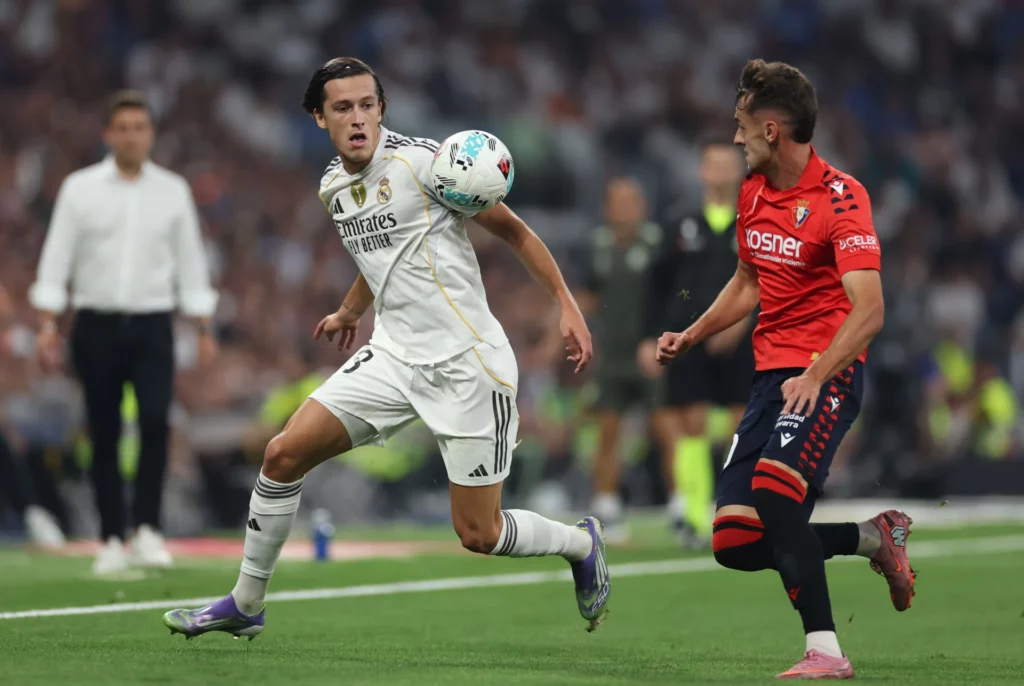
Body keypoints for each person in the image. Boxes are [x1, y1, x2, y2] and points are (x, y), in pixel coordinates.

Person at [163, 57, 610, 640]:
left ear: (382, 110)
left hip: (467, 364)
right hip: (394, 357)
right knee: (282, 455)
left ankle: (580, 543)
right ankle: (246, 604)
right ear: (319, 117)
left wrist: (566, 304)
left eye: (367, 105)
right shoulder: (332, 185)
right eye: (342, 108)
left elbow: (516, 232)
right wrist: (352, 310)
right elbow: (383, 253)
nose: (357, 118)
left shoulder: (425, 165)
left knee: (480, 534)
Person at [655, 60, 914, 680]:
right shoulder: (753, 193)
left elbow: (870, 309)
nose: (735, 137)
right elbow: (748, 281)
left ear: (771, 130)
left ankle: (826, 651)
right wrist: (693, 334)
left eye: (741, 126)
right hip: (771, 379)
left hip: (826, 375)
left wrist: (818, 373)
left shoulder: (841, 197)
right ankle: (874, 537)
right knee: (734, 541)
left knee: (775, 494)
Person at [29, 90, 219, 575]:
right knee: (104, 430)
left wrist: (202, 322)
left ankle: (148, 530)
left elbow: (190, 259)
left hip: (153, 322)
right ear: (108, 134)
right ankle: (112, 536)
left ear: (151, 134)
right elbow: (57, 257)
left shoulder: (172, 190)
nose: (132, 136)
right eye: (124, 128)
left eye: (140, 127)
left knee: (156, 422)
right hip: (96, 323)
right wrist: (48, 321)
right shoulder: (80, 189)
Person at [638, 136, 752, 550]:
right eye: (713, 164)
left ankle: (735, 511)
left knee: (743, 423)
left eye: (727, 164)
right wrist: (648, 338)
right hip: (687, 337)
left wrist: (742, 321)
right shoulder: (678, 224)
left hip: (741, 338)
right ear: (702, 171)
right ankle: (694, 516)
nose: (720, 172)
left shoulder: (755, 221)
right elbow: (655, 285)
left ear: (739, 170)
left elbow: (772, 280)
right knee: (691, 423)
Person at [580, 178, 670, 542]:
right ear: (607, 207)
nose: (624, 208)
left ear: (642, 206)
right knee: (607, 432)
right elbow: (587, 296)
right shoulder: (597, 246)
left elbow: (676, 292)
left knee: (666, 430)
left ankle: (682, 506)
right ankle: (607, 506)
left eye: (630, 201)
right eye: (617, 201)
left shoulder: (659, 244)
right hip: (613, 356)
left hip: (654, 355)